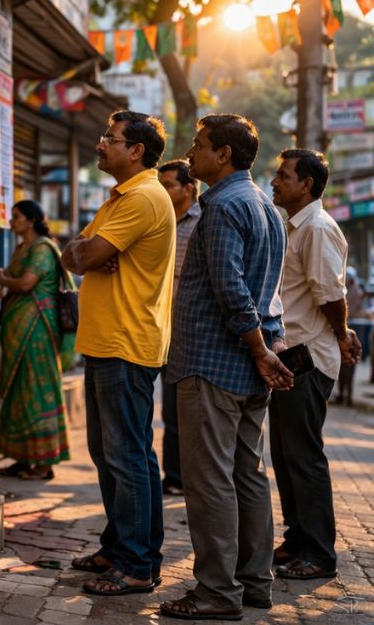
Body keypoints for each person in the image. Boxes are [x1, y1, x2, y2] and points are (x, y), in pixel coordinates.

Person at [160, 115, 290, 621]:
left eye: (199, 146)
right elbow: (266, 293)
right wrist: (265, 349)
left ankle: (217, 592)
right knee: (248, 476)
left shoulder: (223, 206)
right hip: (250, 363)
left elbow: (232, 289)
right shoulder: (263, 204)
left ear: (225, 156)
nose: (191, 153)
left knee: (211, 481)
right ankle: (255, 584)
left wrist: (261, 350)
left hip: (215, 362)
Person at [61, 111, 175, 597]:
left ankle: (136, 565)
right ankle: (124, 547)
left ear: (137, 151)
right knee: (116, 454)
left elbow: (82, 258)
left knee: (126, 456)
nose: (101, 143)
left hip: (126, 343)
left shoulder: (144, 197)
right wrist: (81, 250)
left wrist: (84, 252)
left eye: (111, 138)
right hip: (108, 341)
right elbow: (72, 256)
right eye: (104, 134)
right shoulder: (120, 199)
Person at [268, 149, 359, 582]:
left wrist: (342, 337)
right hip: (290, 356)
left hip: (308, 357)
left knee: (303, 457)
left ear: (307, 184)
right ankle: (298, 539)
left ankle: (319, 554)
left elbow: (330, 295)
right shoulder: (294, 226)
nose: (275, 181)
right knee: (285, 455)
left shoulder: (318, 228)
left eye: (284, 175)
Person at [0, 200, 73, 481]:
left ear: (31, 220)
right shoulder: (21, 248)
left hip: (37, 329)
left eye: (16, 217)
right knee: (18, 391)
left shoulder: (41, 248)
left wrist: (1, 279)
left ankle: (43, 463)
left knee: (37, 390)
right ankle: (22, 458)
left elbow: (27, 283)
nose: (12, 221)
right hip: (19, 328)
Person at [157, 159, 201, 497]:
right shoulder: (160, 219)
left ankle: (185, 477)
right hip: (157, 328)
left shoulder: (202, 223)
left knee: (186, 411)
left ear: (188, 188)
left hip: (189, 330)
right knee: (168, 410)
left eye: (168, 184)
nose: (162, 190)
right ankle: (173, 476)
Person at [339, 265, 365, 405]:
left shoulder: (353, 291)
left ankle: (348, 396)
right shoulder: (345, 290)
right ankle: (343, 395)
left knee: (350, 363)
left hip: (351, 331)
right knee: (344, 365)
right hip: (345, 331)